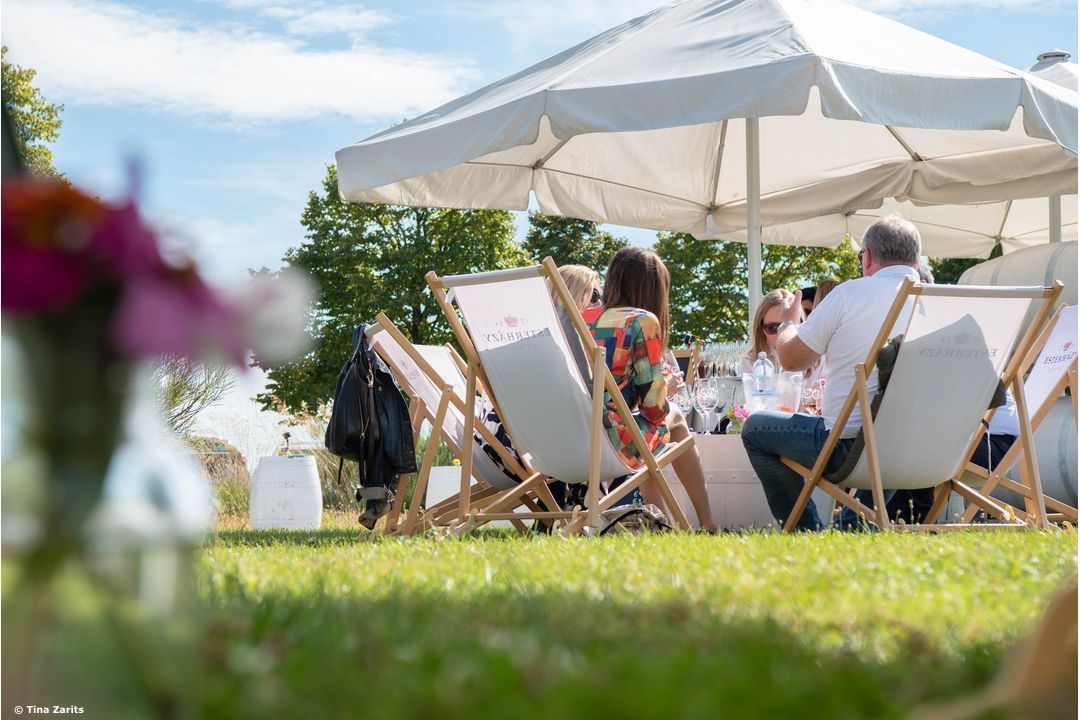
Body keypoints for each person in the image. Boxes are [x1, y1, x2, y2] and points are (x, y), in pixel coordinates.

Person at [740, 215, 924, 530]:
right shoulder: (944, 301)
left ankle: (807, 530)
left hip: (846, 447)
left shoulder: (849, 294)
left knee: (755, 429)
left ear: (866, 257)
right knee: (893, 422)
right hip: (925, 447)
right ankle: (855, 526)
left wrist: (786, 325)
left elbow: (791, 358)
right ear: (917, 259)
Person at [582, 247, 718, 532]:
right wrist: (665, 390)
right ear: (653, 289)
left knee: (644, 434)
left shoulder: (582, 318)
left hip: (576, 436)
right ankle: (707, 522)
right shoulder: (641, 320)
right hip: (612, 439)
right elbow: (654, 410)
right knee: (674, 419)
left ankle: (664, 523)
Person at [741, 289, 827, 411]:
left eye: (789, 325)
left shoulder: (821, 357)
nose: (782, 333)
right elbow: (756, 410)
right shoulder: (751, 362)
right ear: (761, 331)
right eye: (773, 327)